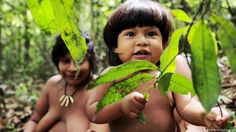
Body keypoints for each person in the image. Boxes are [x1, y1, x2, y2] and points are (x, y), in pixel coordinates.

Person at [86, 0, 229, 132]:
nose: (142, 41)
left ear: (165, 43)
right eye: (130, 34)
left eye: (151, 34)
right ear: (115, 46)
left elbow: (187, 106)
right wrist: (120, 106)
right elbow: (92, 111)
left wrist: (205, 115)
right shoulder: (112, 75)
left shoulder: (167, 75)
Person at [24, 33, 109, 132]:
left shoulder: (99, 89)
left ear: (91, 62)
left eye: (79, 61)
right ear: (57, 62)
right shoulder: (52, 85)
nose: (72, 68)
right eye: (65, 61)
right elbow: (34, 120)